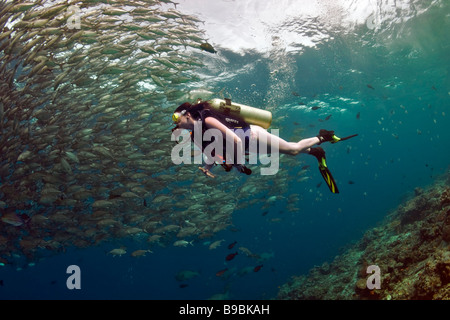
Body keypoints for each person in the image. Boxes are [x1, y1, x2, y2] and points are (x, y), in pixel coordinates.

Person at [171, 100, 357, 193]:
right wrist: (206, 167)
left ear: (187, 114)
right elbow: (212, 153)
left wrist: (237, 162)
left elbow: (234, 140)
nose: (176, 124)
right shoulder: (196, 135)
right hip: (249, 147)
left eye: (175, 118)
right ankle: (315, 152)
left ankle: (323, 136)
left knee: (292, 149)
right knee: (290, 151)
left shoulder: (208, 119)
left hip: (252, 136)